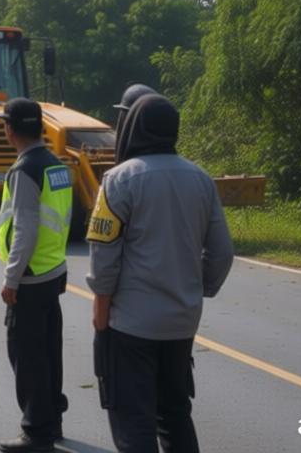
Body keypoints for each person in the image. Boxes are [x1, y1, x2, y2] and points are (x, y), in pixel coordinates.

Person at [86, 93, 234, 453]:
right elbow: (222, 252)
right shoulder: (201, 179)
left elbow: (104, 258)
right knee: (175, 416)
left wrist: (101, 314)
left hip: (130, 325)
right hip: (182, 323)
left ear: (133, 127)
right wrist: (196, 289)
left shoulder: (118, 180)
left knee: (134, 422)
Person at [0, 97, 72, 453]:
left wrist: (12, 278)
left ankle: (36, 431)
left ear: (9, 130)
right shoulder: (56, 164)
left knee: (26, 356)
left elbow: (25, 228)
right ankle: (52, 419)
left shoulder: (24, 169)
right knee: (48, 351)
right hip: (52, 269)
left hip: (30, 274)